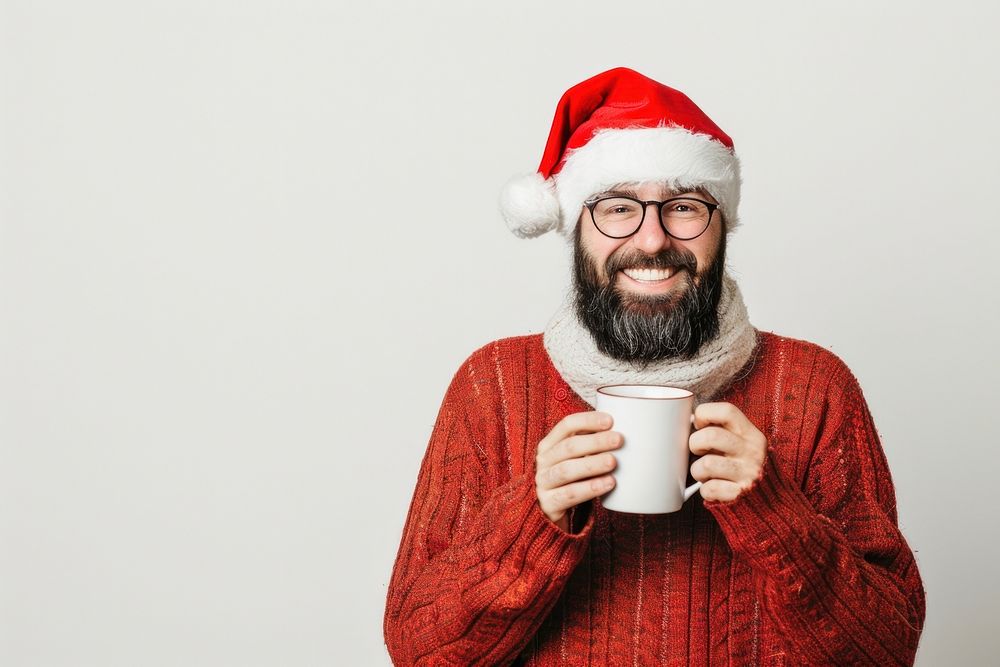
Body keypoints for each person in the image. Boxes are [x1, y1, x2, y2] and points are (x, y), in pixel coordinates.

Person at [383, 67, 925, 666]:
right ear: (573, 228)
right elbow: (417, 650)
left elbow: (889, 651)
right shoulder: (493, 387)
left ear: (723, 227)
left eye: (685, 207)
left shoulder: (816, 387)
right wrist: (532, 518)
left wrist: (774, 514)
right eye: (617, 208)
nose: (650, 241)